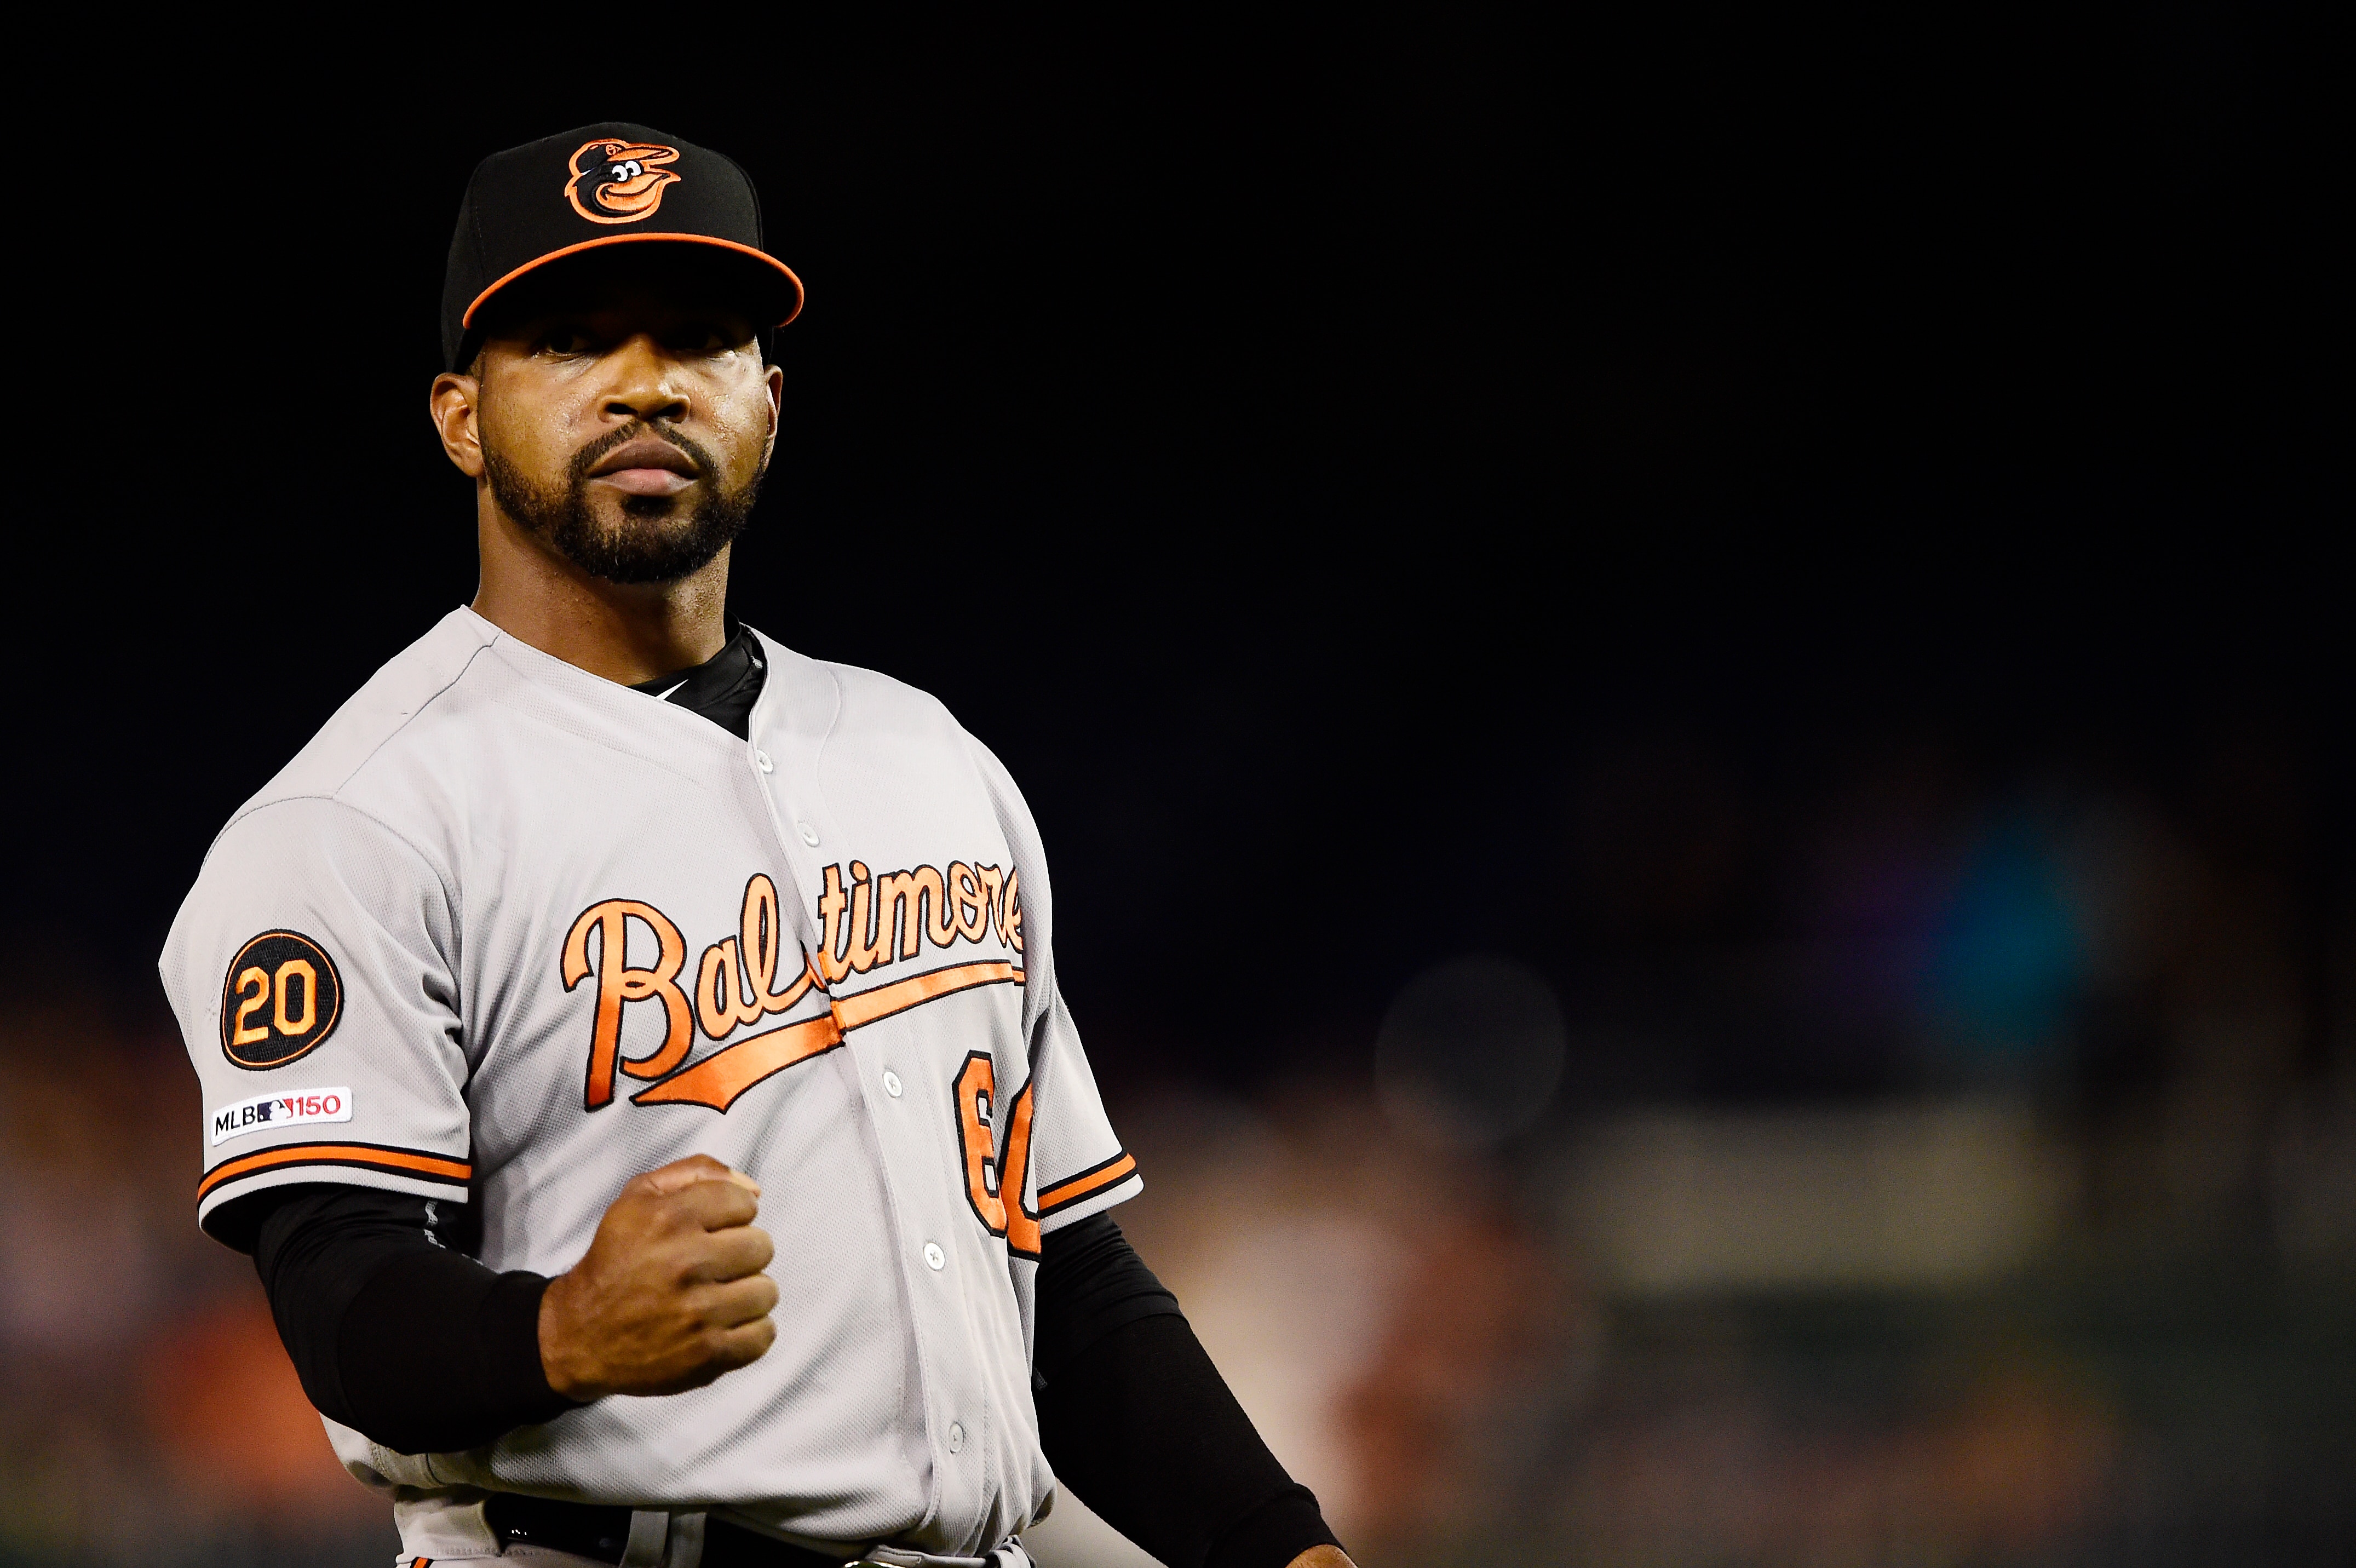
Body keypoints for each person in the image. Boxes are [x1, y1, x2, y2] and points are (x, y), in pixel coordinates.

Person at [159, 123, 1353, 1568]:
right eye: (572, 337)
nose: (646, 381)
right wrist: (560, 1330)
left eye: (701, 339)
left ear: (767, 402)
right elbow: (337, 1291)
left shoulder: (928, 761)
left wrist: (1282, 1548)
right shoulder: (360, 816)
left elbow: (1068, 1283)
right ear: (461, 417)